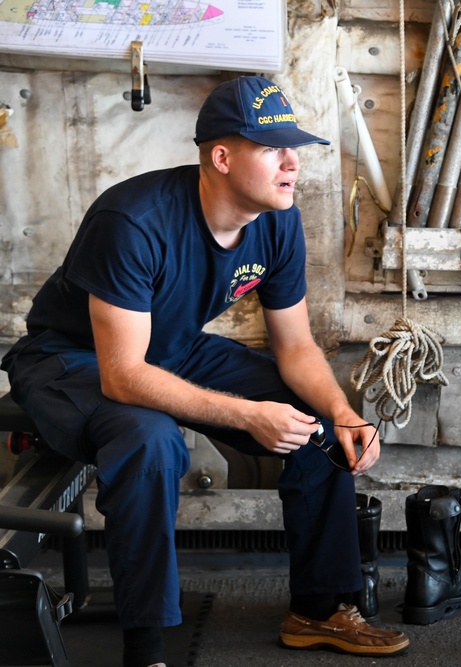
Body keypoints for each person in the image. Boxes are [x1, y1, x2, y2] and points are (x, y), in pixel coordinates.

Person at [1, 76, 409, 667]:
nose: (293, 162)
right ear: (222, 157)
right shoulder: (132, 220)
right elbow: (122, 378)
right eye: (273, 148)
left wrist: (343, 413)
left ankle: (318, 611)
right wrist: (248, 416)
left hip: (168, 347)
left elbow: (294, 347)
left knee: (316, 419)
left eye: (294, 146)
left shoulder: (276, 220)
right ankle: (147, 650)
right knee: (151, 440)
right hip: (73, 359)